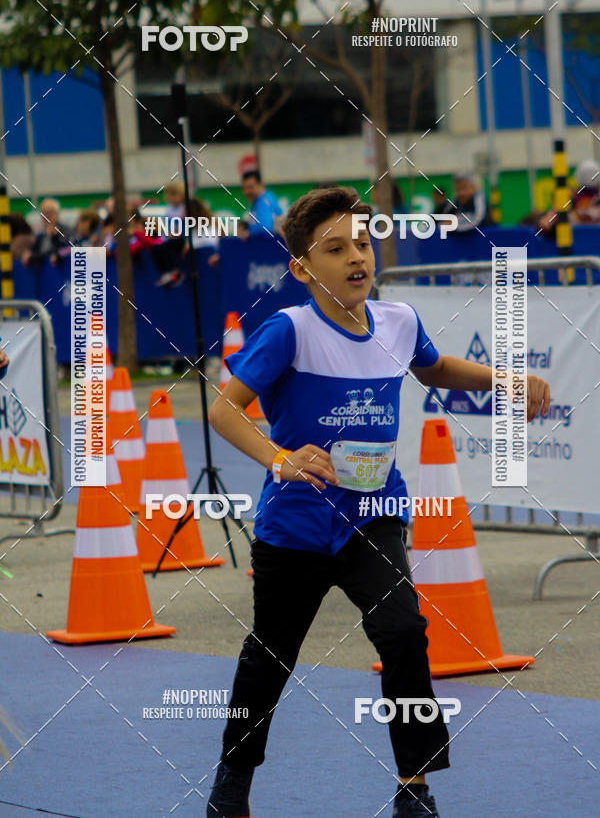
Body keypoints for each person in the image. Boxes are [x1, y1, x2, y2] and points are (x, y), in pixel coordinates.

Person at [206, 185, 551, 818]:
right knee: (272, 656)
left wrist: (505, 378)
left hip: (373, 514)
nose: (356, 257)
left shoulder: (398, 321)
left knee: (403, 632)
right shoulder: (290, 331)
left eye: (362, 244)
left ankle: (414, 787)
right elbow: (224, 411)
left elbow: (435, 368)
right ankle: (233, 779)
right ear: (302, 268)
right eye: (335, 248)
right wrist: (280, 459)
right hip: (297, 524)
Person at [20, 198, 69, 267]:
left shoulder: (65, 230)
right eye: (43, 213)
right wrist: (29, 253)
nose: (45, 216)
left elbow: (68, 249)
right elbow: (36, 250)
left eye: (48, 212)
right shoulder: (40, 233)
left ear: (56, 214)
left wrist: (58, 254)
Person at [239, 170, 282, 239]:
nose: (247, 192)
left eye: (250, 188)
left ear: (261, 185)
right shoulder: (256, 201)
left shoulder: (264, 202)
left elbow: (265, 228)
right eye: (244, 188)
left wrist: (248, 233)